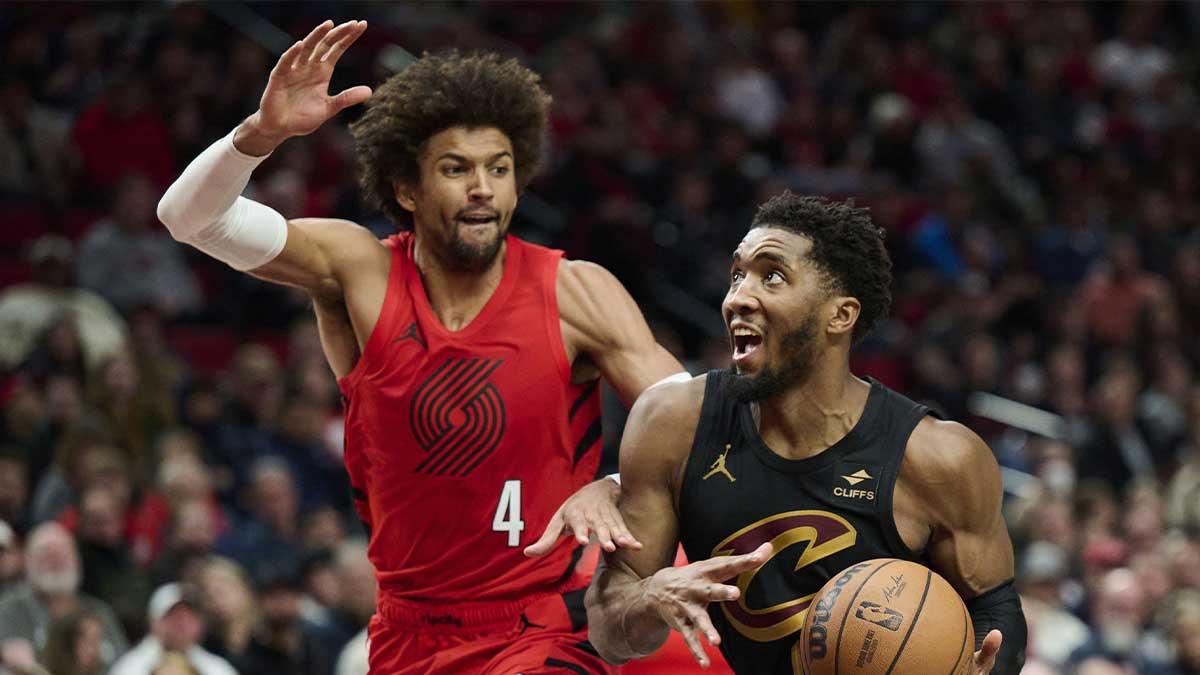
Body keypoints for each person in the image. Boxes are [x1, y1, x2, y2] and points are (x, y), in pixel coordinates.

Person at [156, 19, 684, 674]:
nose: (483, 187)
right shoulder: (358, 270)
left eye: (500, 168)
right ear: (407, 189)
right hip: (407, 633)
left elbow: (691, 422)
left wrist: (611, 482)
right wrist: (259, 137)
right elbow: (189, 218)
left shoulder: (575, 291)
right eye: (456, 169)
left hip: (543, 624)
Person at [585, 194, 1027, 674]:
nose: (737, 297)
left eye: (771, 276)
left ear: (840, 315)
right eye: (737, 275)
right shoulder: (672, 423)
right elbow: (608, 632)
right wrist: (649, 597)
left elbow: (996, 611)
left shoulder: (939, 456)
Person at [108, 582, 237, 675]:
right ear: (154, 622)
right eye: (175, 617)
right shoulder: (129, 668)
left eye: (191, 616)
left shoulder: (217, 668)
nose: (183, 624)